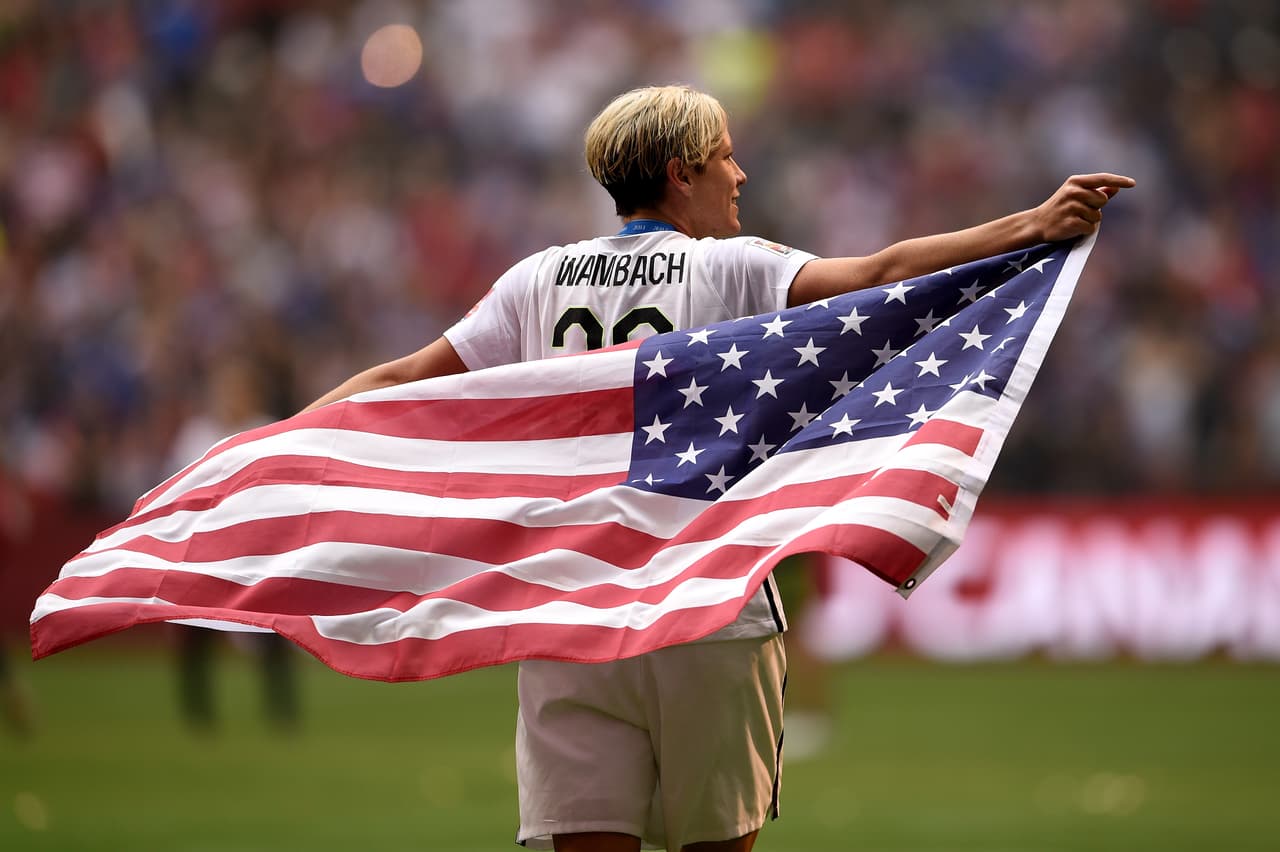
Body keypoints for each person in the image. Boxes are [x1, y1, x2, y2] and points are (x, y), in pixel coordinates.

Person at [303, 85, 1132, 851]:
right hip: (709, 615)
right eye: (726, 155)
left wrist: (275, 445)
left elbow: (400, 381)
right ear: (681, 173)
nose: (741, 172)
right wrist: (1032, 226)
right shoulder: (732, 267)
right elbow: (882, 274)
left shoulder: (535, 281)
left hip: (573, 622)